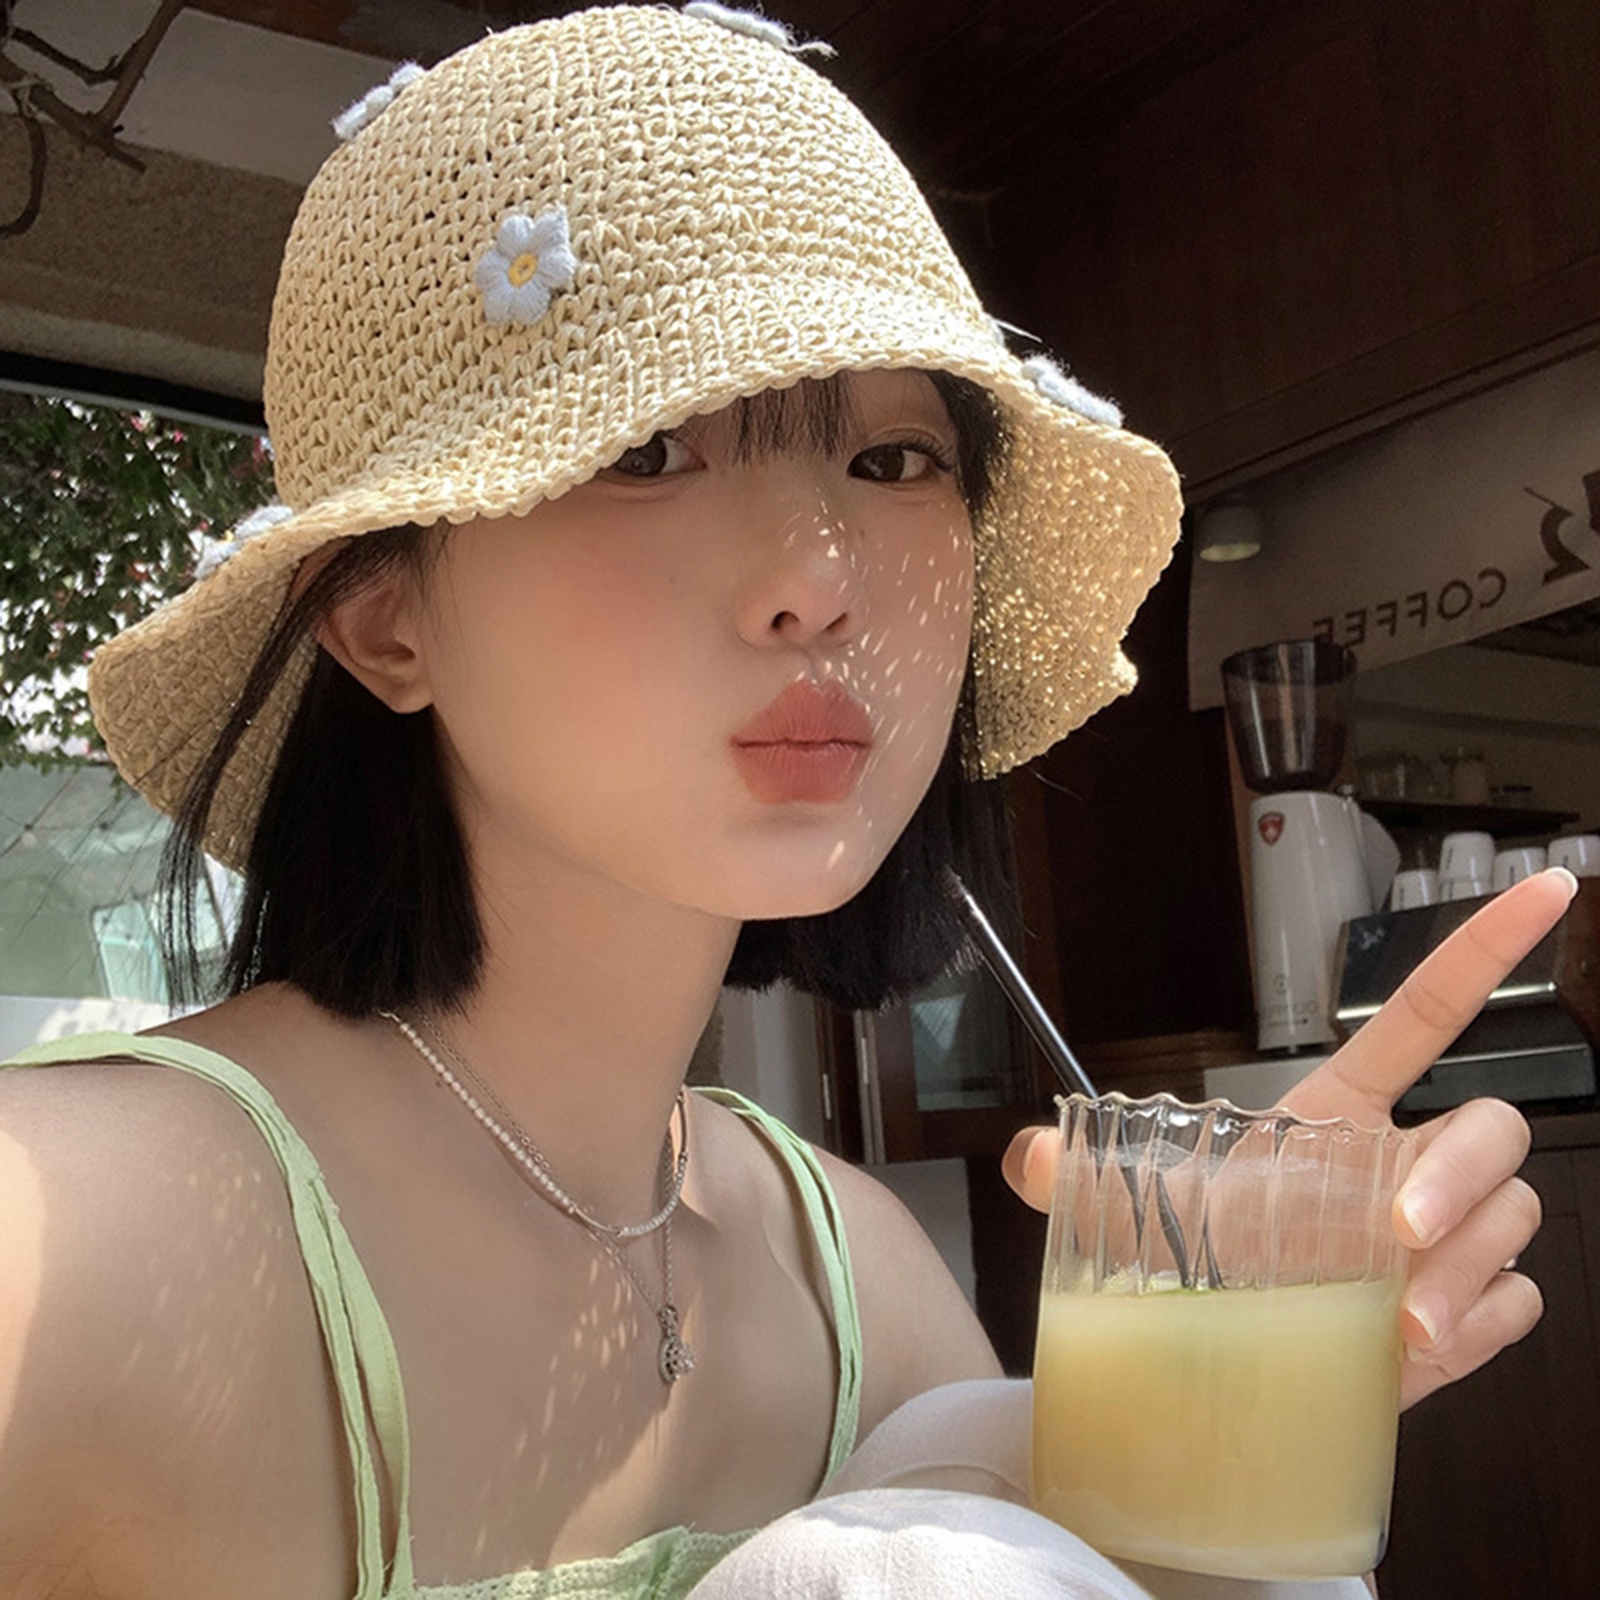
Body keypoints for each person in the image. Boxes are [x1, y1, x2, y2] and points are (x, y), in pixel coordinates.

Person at [0, 6, 1555, 1599]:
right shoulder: (56, 1243)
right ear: (381, 618)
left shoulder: (868, 1286)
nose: (820, 579)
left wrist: (1226, 1435)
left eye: (894, 462)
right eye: (650, 448)